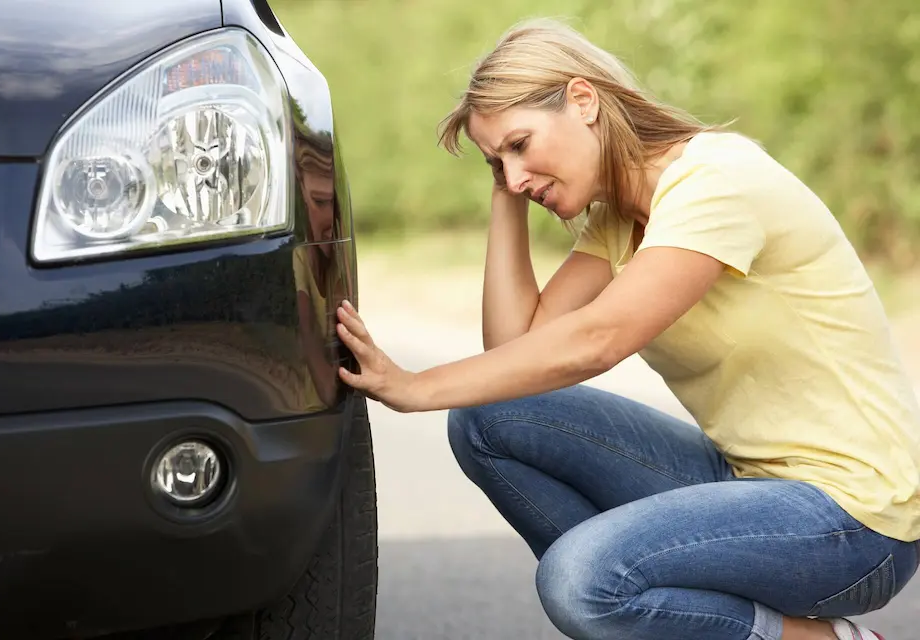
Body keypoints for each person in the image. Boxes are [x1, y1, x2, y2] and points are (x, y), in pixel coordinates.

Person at [333, 18, 920, 640]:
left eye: (520, 144)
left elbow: (596, 340)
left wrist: (417, 387)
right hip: (748, 485)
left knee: (582, 580)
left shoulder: (712, 183)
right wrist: (505, 187)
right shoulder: (619, 218)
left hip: (856, 521)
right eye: (495, 162)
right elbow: (516, 357)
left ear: (583, 101)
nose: (514, 176)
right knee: (487, 421)